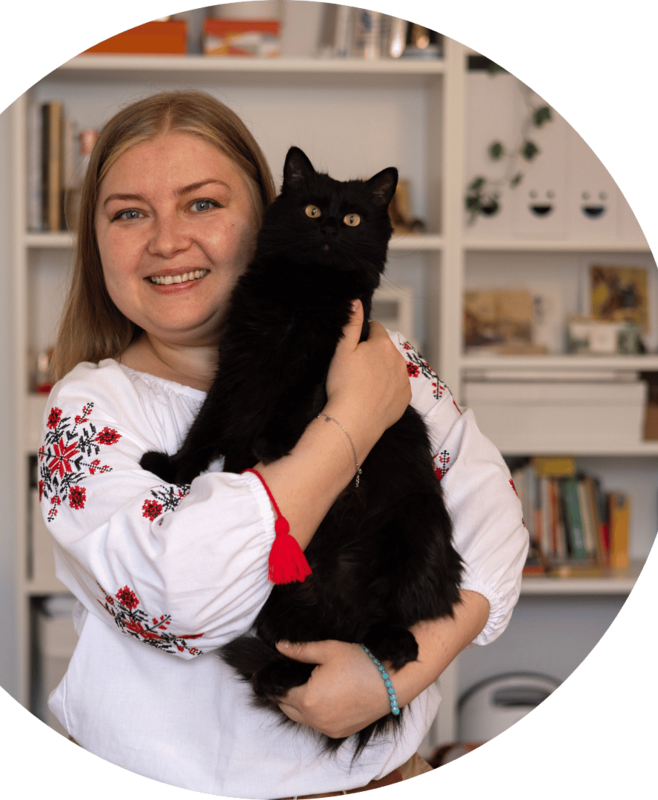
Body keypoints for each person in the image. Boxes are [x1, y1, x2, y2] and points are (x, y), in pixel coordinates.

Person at [39, 90, 528, 797]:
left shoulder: (380, 356)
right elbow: (184, 601)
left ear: (264, 215)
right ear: (97, 240)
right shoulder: (91, 408)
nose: (167, 240)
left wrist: (397, 677)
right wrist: (351, 425)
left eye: (202, 203)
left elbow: (495, 525)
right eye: (128, 212)